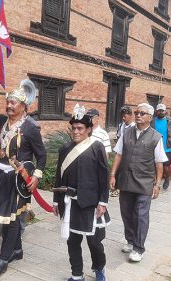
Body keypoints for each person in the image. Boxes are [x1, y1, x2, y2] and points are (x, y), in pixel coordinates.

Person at [0, 74, 46, 274]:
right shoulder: (1, 122)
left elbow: (42, 155)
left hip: (19, 181)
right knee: (6, 217)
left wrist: (36, 176)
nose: (9, 105)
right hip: (0, 178)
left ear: (23, 106)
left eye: (13, 102)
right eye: (8, 102)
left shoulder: (31, 128)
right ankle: (17, 249)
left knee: (10, 219)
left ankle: (3, 259)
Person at [53, 104, 110, 281]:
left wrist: (103, 202)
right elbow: (58, 177)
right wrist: (56, 201)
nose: (76, 131)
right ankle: (77, 275)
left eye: (80, 128)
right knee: (72, 241)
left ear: (88, 130)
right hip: (70, 203)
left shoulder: (97, 147)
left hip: (91, 203)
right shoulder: (65, 150)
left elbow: (103, 176)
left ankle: (99, 268)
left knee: (94, 242)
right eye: (74, 128)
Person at [110, 103, 167, 262]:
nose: (138, 115)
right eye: (136, 112)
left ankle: (138, 247)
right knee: (126, 212)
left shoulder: (156, 137)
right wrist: (113, 174)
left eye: (142, 113)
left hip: (145, 183)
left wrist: (157, 184)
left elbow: (159, 163)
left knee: (141, 215)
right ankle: (130, 240)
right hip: (126, 180)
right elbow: (119, 154)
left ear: (150, 117)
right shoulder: (126, 132)